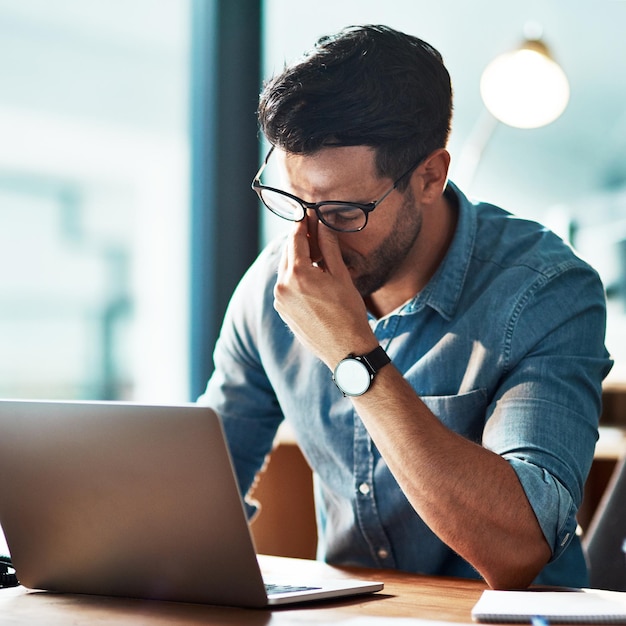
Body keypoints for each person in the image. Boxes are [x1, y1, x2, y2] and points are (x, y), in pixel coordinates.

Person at [198, 24, 612, 589]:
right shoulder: (274, 287)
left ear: (429, 177)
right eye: (291, 201)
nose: (309, 240)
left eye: (343, 212)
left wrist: (353, 355)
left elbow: (520, 548)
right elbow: (200, 488)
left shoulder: (546, 291)